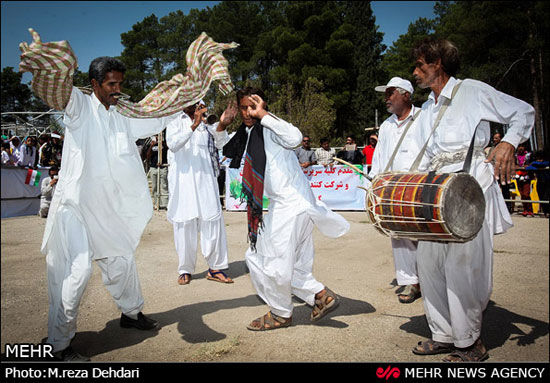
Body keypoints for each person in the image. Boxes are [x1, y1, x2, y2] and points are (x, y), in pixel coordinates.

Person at [24, 55, 175, 361]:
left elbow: (155, 119)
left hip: (108, 211)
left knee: (121, 261)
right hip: (76, 208)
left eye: (120, 83)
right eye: (111, 84)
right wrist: (49, 70)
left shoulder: (123, 114)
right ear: (94, 84)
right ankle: (59, 345)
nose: (117, 89)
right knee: (76, 273)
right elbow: (58, 95)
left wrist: (181, 97)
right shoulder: (79, 106)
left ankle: (131, 314)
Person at [409, 37, 534, 362]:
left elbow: (524, 112)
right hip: (436, 190)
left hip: (468, 188)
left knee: (463, 265)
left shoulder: (472, 90)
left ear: (437, 63)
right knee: (429, 262)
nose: (415, 72)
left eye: (420, 65)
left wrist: (507, 143)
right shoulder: (426, 109)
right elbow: (424, 158)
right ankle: (444, 334)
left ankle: (470, 342)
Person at [222, 87, 350, 331]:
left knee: (268, 261)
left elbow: (294, 137)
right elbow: (228, 150)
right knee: (295, 263)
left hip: (291, 205)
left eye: (253, 106)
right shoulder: (248, 133)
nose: (248, 112)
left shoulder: (270, 126)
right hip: (294, 205)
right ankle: (320, 296)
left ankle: (282, 313)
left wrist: (265, 116)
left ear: (262, 105)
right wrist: (221, 125)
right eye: (244, 107)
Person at [166, 99, 235, 285]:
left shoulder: (207, 123)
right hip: (183, 182)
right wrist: (193, 125)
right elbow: (173, 144)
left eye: (198, 101)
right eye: (192, 100)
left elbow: (222, 143)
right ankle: (185, 269)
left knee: (212, 222)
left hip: (206, 180)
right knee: (184, 225)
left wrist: (222, 124)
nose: (196, 104)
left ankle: (215, 268)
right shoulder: (174, 120)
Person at [369, 76, 422, 304]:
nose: (386, 98)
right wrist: (375, 184)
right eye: (385, 94)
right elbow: (380, 156)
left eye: (391, 93)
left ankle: (431, 279)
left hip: (420, 185)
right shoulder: (388, 125)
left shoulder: (424, 117)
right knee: (399, 235)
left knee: (425, 236)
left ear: (406, 95)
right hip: (393, 188)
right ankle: (411, 281)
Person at [487, 132, 513, 213]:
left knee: (505, 190)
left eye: (496, 138)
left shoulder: (505, 148)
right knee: (494, 190)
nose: (494, 140)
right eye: (494, 138)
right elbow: (489, 158)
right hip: (493, 172)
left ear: (501, 139)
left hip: (503, 172)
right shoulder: (492, 148)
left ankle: (508, 208)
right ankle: (496, 208)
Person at [145, 133, 169, 209]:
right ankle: (156, 203)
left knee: (163, 185)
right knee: (154, 186)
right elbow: (147, 156)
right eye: (156, 136)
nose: (157, 137)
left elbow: (168, 151)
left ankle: (165, 203)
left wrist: (162, 143)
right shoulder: (150, 145)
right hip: (153, 167)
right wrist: (152, 145)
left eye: (159, 136)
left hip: (162, 166)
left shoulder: (164, 145)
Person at [526, 150, 549, 218]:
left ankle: (548, 211)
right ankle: (545, 212)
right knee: (541, 197)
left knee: (546, 197)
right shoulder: (535, 164)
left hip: (548, 183)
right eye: (538, 158)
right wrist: (535, 165)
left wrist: (535, 164)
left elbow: (543, 164)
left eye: (541, 158)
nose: (539, 160)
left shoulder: (546, 163)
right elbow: (528, 168)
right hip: (540, 182)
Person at [514, 143, 533, 217]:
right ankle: (525, 210)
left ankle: (530, 210)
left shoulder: (529, 155)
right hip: (518, 176)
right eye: (519, 146)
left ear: (525, 147)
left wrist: (528, 166)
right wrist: (516, 166)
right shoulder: (515, 156)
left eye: (522, 146)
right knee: (521, 194)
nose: (520, 148)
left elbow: (532, 163)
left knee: (526, 193)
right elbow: (513, 163)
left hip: (526, 176)